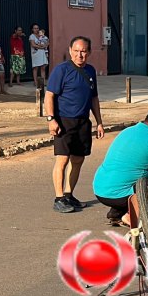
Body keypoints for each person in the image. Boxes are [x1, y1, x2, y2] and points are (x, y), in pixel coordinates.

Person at [46, 36, 104, 213]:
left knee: (78, 159)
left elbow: (94, 98)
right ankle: (58, 198)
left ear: (89, 52)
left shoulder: (90, 71)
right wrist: (51, 119)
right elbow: (49, 95)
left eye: (83, 51)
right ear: (70, 51)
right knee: (62, 159)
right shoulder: (61, 70)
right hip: (63, 121)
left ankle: (68, 194)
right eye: (76, 51)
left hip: (83, 122)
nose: (80, 55)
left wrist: (99, 123)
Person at [93, 108, 148, 226]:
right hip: (119, 194)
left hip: (101, 189)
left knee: (147, 178)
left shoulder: (128, 131)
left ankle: (116, 213)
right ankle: (133, 216)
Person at [29, 25, 50, 89]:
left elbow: (47, 42)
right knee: (35, 68)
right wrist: (41, 47)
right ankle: (35, 82)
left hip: (42, 53)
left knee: (43, 67)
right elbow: (33, 45)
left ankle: (43, 82)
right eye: (35, 28)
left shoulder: (42, 35)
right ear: (32, 29)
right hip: (36, 54)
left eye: (37, 28)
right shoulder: (32, 36)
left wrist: (45, 45)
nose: (36, 29)